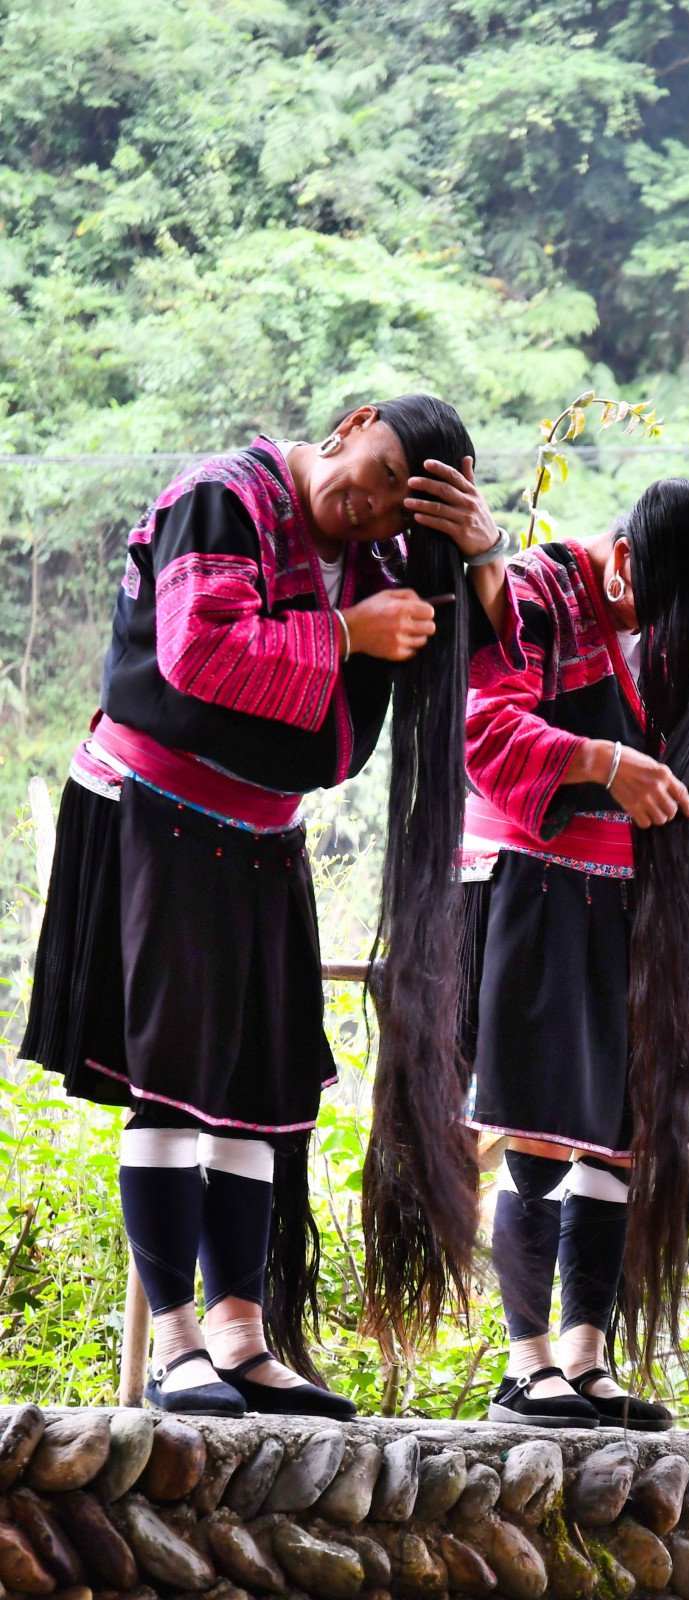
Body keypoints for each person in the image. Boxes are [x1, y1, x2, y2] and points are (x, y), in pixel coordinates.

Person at [22, 397, 509, 1417]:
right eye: (374, 473)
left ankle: (242, 1337)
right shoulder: (221, 498)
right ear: (352, 421)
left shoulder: (384, 561)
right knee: (173, 1080)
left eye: (395, 511)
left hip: (261, 834)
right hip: (158, 808)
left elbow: (488, 672)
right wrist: (343, 631)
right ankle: (176, 1346)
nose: (368, 506)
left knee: (259, 1088)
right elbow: (200, 651)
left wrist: (478, 552)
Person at [460, 478, 689, 1429]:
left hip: (640, 904)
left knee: (623, 1130)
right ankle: (525, 1366)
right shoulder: (532, 591)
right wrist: (604, 762)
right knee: (537, 1130)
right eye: (656, 603)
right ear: (620, 559)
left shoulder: (676, 624)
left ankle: (585, 1357)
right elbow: (482, 729)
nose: (666, 627)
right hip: (533, 881)